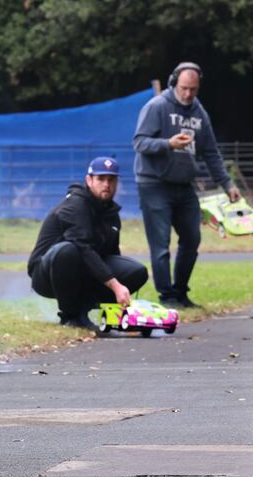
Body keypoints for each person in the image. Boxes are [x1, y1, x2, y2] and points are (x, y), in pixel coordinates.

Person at [133, 61, 241, 308]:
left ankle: (181, 292)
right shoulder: (157, 106)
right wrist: (167, 144)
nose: (188, 94)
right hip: (154, 184)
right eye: (184, 88)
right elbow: (139, 142)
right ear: (174, 83)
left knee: (192, 239)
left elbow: (211, 152)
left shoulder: (200, 114)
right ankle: (167, 297)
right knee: (160, 245)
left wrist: (227, 184)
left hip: (184, 185)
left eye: (193, 89)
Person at [28, 157, 149, 330]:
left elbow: (111, 255)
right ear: (89, 180)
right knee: (69, 250)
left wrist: (119, 291)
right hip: (47, 274)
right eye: (100, 179)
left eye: (111, 180)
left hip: (83, 270)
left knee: (136, 271)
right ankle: (70, 316)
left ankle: (102, 314)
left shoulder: (111, 212)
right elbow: (83, 248)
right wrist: (115, 285)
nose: (106, 184)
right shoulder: (75, 205)